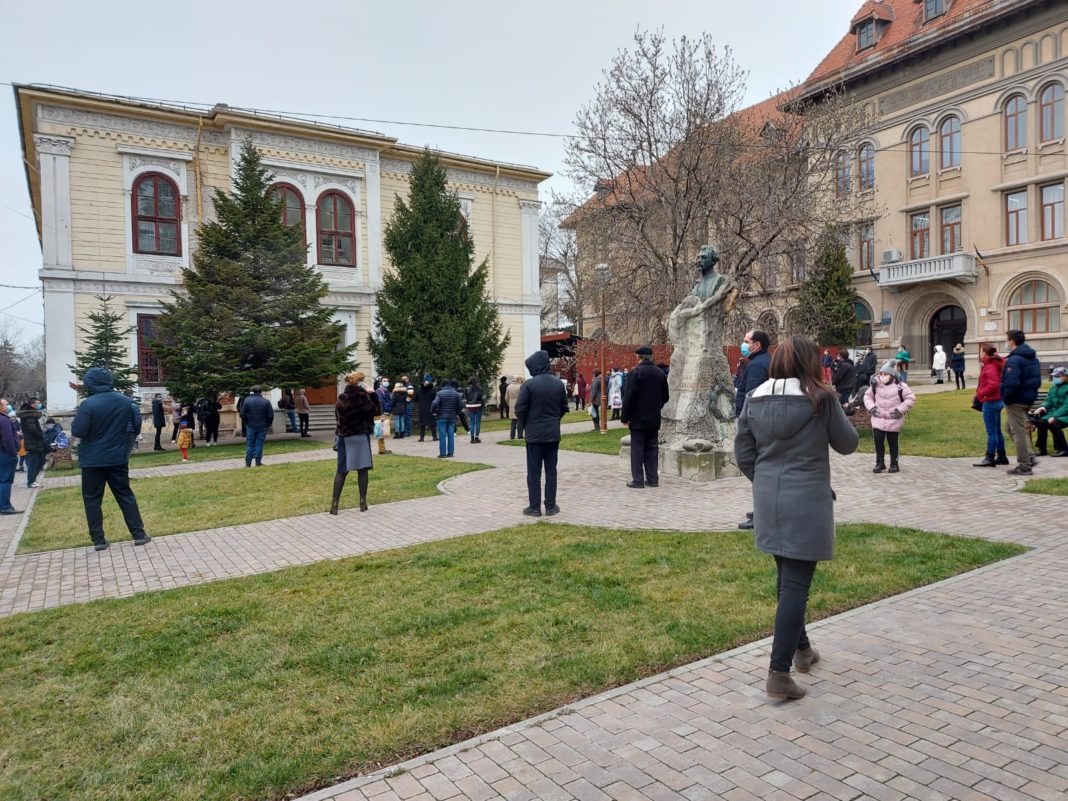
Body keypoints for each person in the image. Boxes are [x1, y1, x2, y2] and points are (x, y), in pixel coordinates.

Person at [734, 336, 859, 701]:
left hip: (770, 500)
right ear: (809, 363)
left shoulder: (753, 398)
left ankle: (802, 650)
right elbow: (848, 443)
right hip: (806, 499)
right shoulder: (821, 399)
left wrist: (766, 482)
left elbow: (743, 453)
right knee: (794, 586)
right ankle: (778, 673)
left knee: (787, 579)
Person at [70, 368, 152, 550]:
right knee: (125, 495)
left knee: (92, 499)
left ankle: (98, 540)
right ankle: (139, 534)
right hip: (117, 457)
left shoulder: (88, 404)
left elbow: (78, 431)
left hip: (92, 459)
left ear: (90, 383)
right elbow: (136, 426)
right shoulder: (125, 402)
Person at [516, 350, 570, 517]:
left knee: (533, 472)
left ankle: (534, 507)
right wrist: (553, 420)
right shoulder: (558, 384)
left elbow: (520, 409)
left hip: (534, 435)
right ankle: (551, 506)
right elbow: (563, 408)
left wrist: (526, 425)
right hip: (552, 434)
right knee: (551, 471)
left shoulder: (529, 385)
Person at [736, 329, 773, 531]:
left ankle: (763, 512)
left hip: (754, 426)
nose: (743, 344)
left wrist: (745, 425)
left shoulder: (758, 366)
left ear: (756, 345)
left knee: (754, 466)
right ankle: (762, 509)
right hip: (759, 425)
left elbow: (752, 398)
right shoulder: (762, 361)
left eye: (746, 341)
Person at [332, 371, 381, 514]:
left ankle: (334, 504)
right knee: (363, 469)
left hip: (344, 437)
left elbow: (337, 418)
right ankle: (362, 502)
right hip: (360, 436)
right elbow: (377, 411)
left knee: (341, 470)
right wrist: (372, 394)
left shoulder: (341, 398)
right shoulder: (364, 397)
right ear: (360, 383)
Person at [621, 345, 670, 488]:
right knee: (652, 448)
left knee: (637, 449)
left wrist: (625, 417)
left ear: (639, 357)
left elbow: (629, 397)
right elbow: (666, 396)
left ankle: (638, 480)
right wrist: (656, 406)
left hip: (638, 418)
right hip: (654, 417)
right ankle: (653, 478)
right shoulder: (660, 373)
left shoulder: (635, 373)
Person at [863, 361, 916, 474]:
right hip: (878, 417)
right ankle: (879, 462)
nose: (882, 376)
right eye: (881, 374)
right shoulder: (875, 384)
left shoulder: (901, 386)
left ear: (892, 375)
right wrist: (872, 407)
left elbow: (910, 399)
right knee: (878, 440)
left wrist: (900, 410)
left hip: (894, 418)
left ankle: (894, 464)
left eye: (885, 374)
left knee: (893, 442)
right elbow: (867, 396)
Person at [1001, 329, 1042, 475]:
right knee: (1009, 427)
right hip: (1028, 398)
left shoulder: (1015, 359)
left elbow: (1012, 383)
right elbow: (1038, 380)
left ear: (1011, 341)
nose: (1006, 342)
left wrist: (1006, 397)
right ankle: (1029, 456)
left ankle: (1025, 465)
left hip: (1016, 401)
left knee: (1018, 432)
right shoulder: (1032, 358)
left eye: (1006, 340)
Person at [973, 345, 1009, 468]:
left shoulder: (990, 366)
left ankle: (989, 457)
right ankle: (1002, 456)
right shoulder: (992, 364)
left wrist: (980, 393)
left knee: (991, 432)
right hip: (997, 401)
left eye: (981, 351)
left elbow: (994, 385)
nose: (980, 353)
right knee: (997, 430)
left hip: (991, 402)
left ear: (985, 353)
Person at [1031, 366, 1068, 458]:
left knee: (1054, 423)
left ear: (1065, 376)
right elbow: (1049, 401)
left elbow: (1066, 406)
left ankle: (1063, 449)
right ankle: (1042, 449)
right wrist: (1042, 407)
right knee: (1041, 422)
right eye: (1054, 376)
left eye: (1057, 376)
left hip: (1065, 414)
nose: (1055, 378)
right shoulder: (1053, 388)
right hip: (1056, 413)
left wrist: (1055, 416)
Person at [240, 385, 274, 467]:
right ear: (261, 392)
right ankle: (258, 462)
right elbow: (271, 415)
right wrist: (268, 424)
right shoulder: (266, 401)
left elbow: (242, 414)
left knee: (250, 444)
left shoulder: (247, 401)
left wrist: (247, 422)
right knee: (259, 444)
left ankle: (248, 463)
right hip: (263, 425)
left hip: (251, 425)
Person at [17, 402, 47, 489]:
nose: (37, 405)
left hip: (34, 443)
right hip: (33, 443)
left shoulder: (30, 417)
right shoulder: (29, 417)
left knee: (40, 461)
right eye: (35, 404)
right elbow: (33, 430)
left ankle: (33, 480)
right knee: (34, 463)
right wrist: (41, 435)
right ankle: (31, 481)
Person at [431, 378, 463, 458]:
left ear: (442, 385)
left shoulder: (439, 393)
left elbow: (434, 403)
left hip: (441, 416)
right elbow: (461, 405)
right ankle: (451, 453)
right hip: (452, 416)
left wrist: (433, 411)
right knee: (451, 435)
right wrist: (456, 411)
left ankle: (443, 453)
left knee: (442, 435)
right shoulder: (456, 393)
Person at [0, 398, 20, 515]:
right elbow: (7, 438)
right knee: (5, 480)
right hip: (6, 453)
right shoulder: (4, 420)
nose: (8, 406)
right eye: (6, 404)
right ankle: (5, 506)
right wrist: (13, 452)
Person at [464, 376, 486, 444]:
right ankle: (477, 438)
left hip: (470, 406)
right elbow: (483, 397)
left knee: (472, 422)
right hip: (478, 405)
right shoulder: (479, 388)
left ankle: (472, 438)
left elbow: (466, 398)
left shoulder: (467, 389)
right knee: (478, 422)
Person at [416, 375, 438, 442]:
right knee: (432, 423)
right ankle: (434, 437)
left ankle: (421, 438)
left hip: (422, 408)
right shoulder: (433, 390)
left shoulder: (419, 390)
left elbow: (416, 399)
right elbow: (435, 399)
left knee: (422, 424)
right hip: (431, 408)